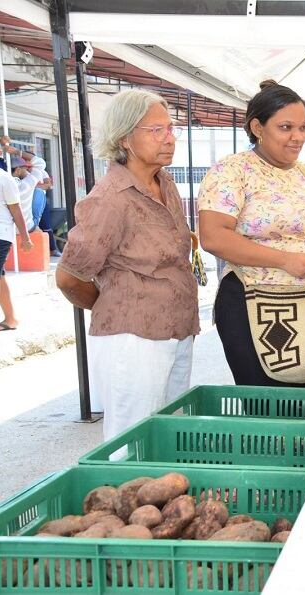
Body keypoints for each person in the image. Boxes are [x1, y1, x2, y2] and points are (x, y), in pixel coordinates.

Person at [55, 89, 199, 441]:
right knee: (131, 441)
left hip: (178, 327)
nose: (169, 139)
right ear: (125, 139)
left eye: (170, 129)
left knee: (168, 434)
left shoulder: (164, 183)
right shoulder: (109, 199)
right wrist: (117, 306)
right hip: (134, 339)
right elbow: (69, 277)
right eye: (156, 131)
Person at [198, 80, 305, 389]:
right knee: (268, 412)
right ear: (257, 127)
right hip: (255, 305)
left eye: (303, 128)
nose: (298, 137)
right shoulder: (232, 171)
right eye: (286, 127)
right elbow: (213, 236)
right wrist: (284, 260)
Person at [0, 165, 33, 331]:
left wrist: (25, 238)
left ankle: (11, 319)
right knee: (0, 276)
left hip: (1, 233)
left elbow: (16, 209)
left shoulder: (5, 178)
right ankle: (10, 318)